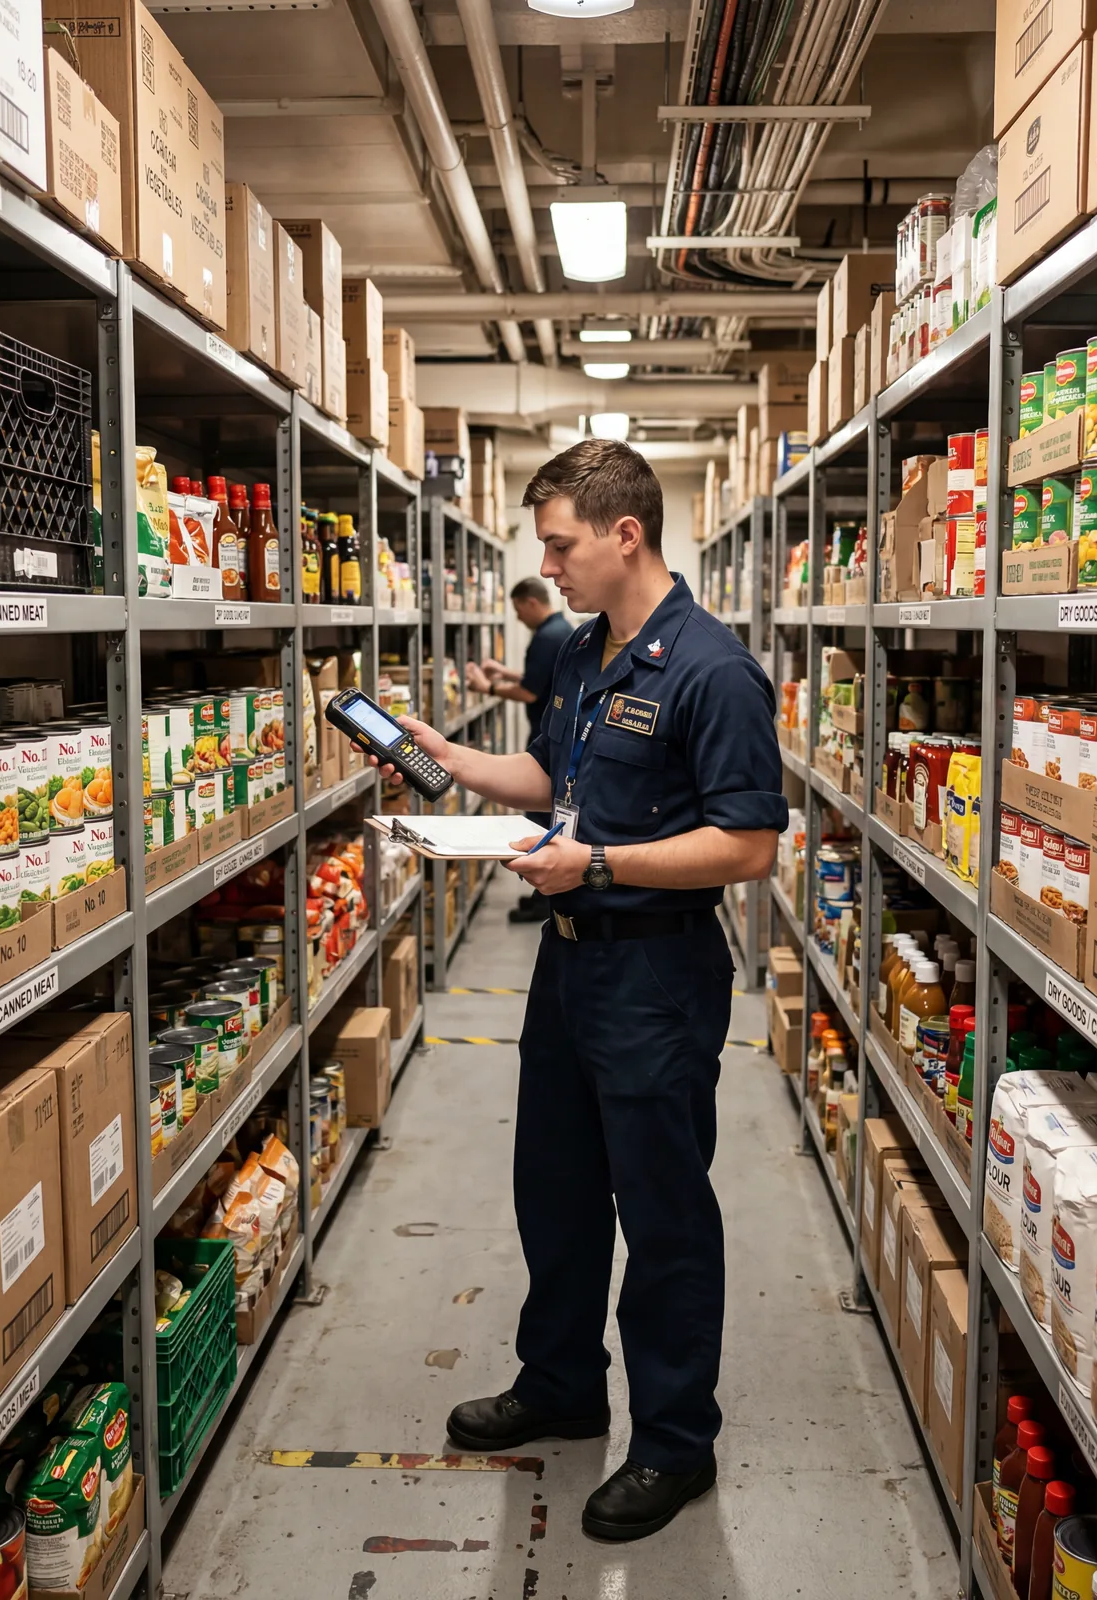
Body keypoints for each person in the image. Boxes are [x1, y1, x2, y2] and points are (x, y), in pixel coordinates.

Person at [357, 439, 787, 1542]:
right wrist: (447, 756)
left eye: (559, 544)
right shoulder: (590, 655)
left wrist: (597, 864)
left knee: (662, 1210)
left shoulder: (712, 669)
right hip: (568, 958)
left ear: (623, 533)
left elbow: (746, 848)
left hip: (653, 973)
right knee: (552, 1184)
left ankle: (674, 1441)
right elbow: (553, 780)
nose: (547, 566)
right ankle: (558, 1381)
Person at [464, 576, 572, 923]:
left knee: (541, 820)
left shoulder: (547, 637)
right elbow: (536, 681)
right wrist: (504, 674)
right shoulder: (560, 632)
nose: (517, 617)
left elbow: (529, 693)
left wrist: (488, 688)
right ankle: (540, 894)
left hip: (545, 735)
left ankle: (544, 896)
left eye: (517, 609)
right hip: (551, 733)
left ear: (530, 603)